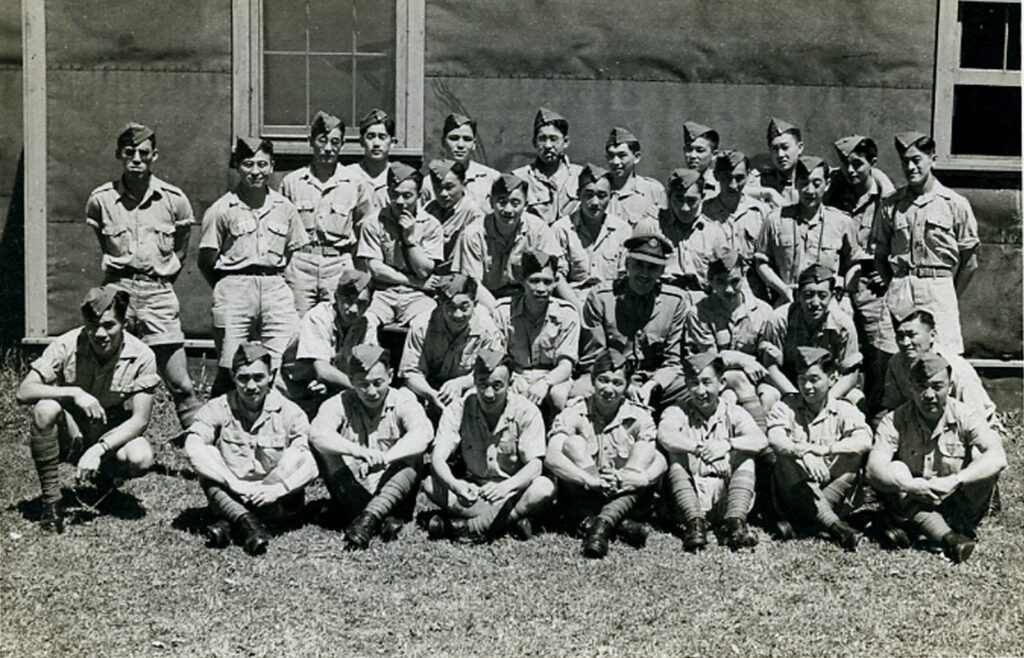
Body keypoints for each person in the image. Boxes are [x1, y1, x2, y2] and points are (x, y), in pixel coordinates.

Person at [85, 122, 201, 429]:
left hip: (157, 295)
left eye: (144, 153)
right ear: (119, 154)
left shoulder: (174, 200)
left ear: (154, 156)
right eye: (129, 152)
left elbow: (180, 251)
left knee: (181, 385)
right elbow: (99, 247)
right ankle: (106, 446)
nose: (137, 159)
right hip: (117, 294)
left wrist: (155, 282)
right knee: (109, 381)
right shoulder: (101, 200)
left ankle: (201, 448)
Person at [16, 287, 160, 533]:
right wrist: (74, 393)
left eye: (109, 325)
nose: (100, 333)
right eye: (92, 325)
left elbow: (140, 420)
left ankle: (105, 478)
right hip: (73, 428)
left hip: (110, 429)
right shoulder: (66, 344)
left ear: (124, 324)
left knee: (141, 457)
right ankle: (52, 502)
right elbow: (24, 391)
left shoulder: (142, 355)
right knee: (45, 408)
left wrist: (99, 449)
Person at [867, 353, 1006, 563]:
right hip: (916, 497)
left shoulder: (967, 416)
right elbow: (873, 469)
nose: (929, 395)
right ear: (911, 387)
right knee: (895, 468)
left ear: (950, 386)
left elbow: (997, 457)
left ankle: (926, 528)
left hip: (958, 501)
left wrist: (955, 480)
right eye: (921, 386)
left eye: (937, 386)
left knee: (982, 458)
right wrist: (910, 485)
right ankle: (946, 535)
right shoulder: (894, 420)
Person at [198, 136, 308, 395]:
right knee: (231, 364)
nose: (256, 171)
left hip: (275, 287)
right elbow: (205, 260)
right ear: (237, 167)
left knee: (282, 360)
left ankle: (275, 415)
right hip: (234, 287)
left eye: (262, 164)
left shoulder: (285, 208)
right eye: (248, 164)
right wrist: (229, 286)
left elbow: (292, 252)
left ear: (272, 167)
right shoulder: (222, 208)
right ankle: (221, 417)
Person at [184, 343, 317, 556]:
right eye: (243, 378)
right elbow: (193, 446)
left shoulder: (291, 412)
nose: (251, 386)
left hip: (275, 494)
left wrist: (277, 490)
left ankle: (233, 522)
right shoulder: (219, 407)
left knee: (297, 455)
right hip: (234, 489)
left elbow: (311, 464)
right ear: (232, 376)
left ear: (271, 375)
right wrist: (234, 484)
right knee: (206, 456)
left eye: (258, 377)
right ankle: (249, 524)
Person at [423, 349, 556, 542]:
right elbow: (438, 458)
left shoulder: (527, 411)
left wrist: (506, 487)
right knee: (431, 484)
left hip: (513, 491)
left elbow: (535, 466)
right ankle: (510, 520)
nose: (489, 393)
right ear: (474, 381)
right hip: (473, 491)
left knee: (543, 488)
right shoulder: (458, 408)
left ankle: (467, 526)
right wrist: (457, 485)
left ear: (510, 383)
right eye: (482, 384)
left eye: (497, 386)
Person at [545, 348, 666, 559]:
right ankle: (617, 524)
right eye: (603, 380)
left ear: (626, 386)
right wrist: (590, 479)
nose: (609, 389)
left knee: (646, 450)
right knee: (573, 443)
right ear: (593, 381)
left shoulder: (640, 416)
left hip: (624, 490)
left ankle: (598, 524)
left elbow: (659, 460)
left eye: (617, 383)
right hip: (585, 491)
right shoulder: (574, 411)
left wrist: (635, 478)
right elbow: (552, 457)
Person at [310, 345, 433, 550]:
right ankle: (378, 519)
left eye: (378, 383)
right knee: (325, 450)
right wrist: (358, 451)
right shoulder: (338, 403)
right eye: (363, 384)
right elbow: (317, 434)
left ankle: (368, 518)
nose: (372, 392)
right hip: (354, 488)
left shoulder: (403, 399)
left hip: (394, 489)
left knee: (414, 453)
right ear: (351, 380)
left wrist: (387, 457)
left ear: (390, 376)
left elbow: (424, 433)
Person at [874, 132, 979, 355]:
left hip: (938, 288)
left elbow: (970, 263)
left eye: (916, 160)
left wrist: (948, 292)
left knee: (940, 357)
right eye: (905, 161)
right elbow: (880, 256)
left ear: (933, 159)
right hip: (901, 287)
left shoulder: (954, 204)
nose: (910, 167)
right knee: (896, 356)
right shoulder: (891, 205)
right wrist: (897, 283)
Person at [657, 352, 767, 551]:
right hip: (687, 498)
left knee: (746, 455)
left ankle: (735, 523)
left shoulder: (734, 412)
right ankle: (694, 524)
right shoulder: (677, 411)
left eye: (707, 382)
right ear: (687, 385)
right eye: (694, 383)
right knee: (675, 453)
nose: (700, 391)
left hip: (726, 496)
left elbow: (760, 440)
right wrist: (701, 450)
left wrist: (727, 444)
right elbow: (665, 435)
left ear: (722, 383)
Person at [576, 220, 690, 410]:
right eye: (639, 265)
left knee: (692, 388)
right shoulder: (601, 297)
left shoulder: (675, 301)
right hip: (611, 379)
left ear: (662, 271)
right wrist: (623, 384)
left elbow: (673, 361)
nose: (644, 274)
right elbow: (594, 358)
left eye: (652, 267)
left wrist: (652, 385)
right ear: (627, 264)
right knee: (576, 391)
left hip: (654, 382)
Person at [766, 347, 872, 550]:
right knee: (785, 457)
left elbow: (865, 440)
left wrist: (827, 450)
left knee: (853, 455)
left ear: (832, 378)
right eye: (801, 379)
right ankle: (837, 528)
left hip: (833, 487)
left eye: (814, 379)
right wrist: (803, 452)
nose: (807, 386)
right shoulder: (785, 406)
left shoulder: (844, 408)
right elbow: (775, 438)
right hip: (796, 490)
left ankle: (810, 520)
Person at [828, 135, 898, 415]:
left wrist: (886, 270)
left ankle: (875, 414)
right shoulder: (833, 189)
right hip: (841, 279)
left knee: (876, 348)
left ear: (873, 163)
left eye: (857, 164)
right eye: (845, 163)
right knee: (837, 344)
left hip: (872, 282)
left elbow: (897, 238)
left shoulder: (887, 197)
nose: (850, 170)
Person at [280, 110, 364, 316]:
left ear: (342, 144)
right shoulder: (292, 182)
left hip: (338, 264)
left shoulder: (355, 183)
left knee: (335, 322)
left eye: (335, 142)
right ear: (311, 142)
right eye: (322, 140)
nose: (328, 148)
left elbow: (365, 229)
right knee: (297, 324)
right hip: (301, 264)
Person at [683, 253, 776, 430]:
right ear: (710, 281)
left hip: (756, 378)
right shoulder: (699, 314)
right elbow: (709, 362)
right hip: (716, 381)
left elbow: (768, 360)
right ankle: (758, 438)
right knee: (729, 395)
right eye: (721, 282)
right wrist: (742, 360)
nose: (729, 290)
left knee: (770, 396)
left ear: (744, 275)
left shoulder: (763, 311)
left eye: (735, 281)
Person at [754, 155, 862, 307]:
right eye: (804, 183)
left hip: (827, 303)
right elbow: (761, 262)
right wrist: (783, 289)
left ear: (827, 184)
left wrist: (845, 294)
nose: (810, 190)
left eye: (816, 184)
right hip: (788, 301)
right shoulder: (775, 220)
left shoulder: (842, 222)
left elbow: (854, 262)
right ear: (796, 184)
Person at [452, 173, 566, 309]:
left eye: (515, 203)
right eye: (501, 202)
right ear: (491, 202)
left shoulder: (538, 230)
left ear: (526, 205)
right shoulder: (473, 234)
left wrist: (577, 308)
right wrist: (499, 313)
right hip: (487, 300)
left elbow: (554, 274)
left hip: (530, 298)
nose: (508, 209)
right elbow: (473, 284)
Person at [400, 274, 504, 416]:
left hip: (466, 387)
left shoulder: (487, 328)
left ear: (475, 303)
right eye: (451, 307)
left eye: (464, 307)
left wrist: (461, 383)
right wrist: (431, 394)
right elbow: (410, 372)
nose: (457, 314)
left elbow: (489, 371)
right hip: (428, 387)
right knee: (405, 396)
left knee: (475, 396)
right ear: (440, 304)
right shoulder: (422, 325)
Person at [276, 269, 376, 417]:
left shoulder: (368, 323)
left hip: (331, 389)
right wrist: (361, 388)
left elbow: (367, 366)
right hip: (293, 391)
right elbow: (323, 371)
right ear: (336, 297)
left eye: (361, 303)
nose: (354, 309)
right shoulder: (318, 316)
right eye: (348, 300)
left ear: (369, 304)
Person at [758, 264, 862, 405]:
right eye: (808, 295)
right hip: (788, 383)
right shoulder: (779, 319)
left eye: (822, 296)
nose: (815, 303)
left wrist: (829, 399)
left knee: (855, 397)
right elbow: (771, 366)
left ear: (832, 297)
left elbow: (850, 373)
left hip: (825, 385)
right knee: (768, 395)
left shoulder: (843, 325)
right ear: (797, 295)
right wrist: (793, 395)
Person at [356, 162, 444, 330]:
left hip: (418, 297)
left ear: (419, 195)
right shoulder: (374, 222)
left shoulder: (431, 225)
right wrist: (415, 282)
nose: (399, 201)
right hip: (382, 293)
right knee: (365, 323)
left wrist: (410, 239)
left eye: (407, 196)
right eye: (394, 194)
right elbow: (375, 269)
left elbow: (424, 271)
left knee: (425, 325)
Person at [494, 250, 579, 413]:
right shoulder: (503, 312)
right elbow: (498, 359)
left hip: (553, 377)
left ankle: (556, 426)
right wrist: (512, 379)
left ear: (556, 282)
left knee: (558, 395)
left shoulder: (567, 314)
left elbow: (566, 365)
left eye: (547, 282)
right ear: (522, 280)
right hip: (516, 376)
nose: (541, 288)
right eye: (534, 281)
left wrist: (545, 383)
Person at [880, 307, 996, 424]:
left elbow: (977, 419)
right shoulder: (896, 363)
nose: (905, 342)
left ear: (932, 335)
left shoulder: (957, 369)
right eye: (900, 336)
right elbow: (894, 407)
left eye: (912, 335)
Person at [552, 163, 631, 307]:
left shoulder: (622, 230)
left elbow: (625, 276)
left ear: (611, 196)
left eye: (602, 196)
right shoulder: (562, 229)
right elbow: (558, 277)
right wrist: (578, 308)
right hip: (573, 302)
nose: (595, 202)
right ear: (578, 195)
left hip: (611, 302)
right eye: (588, 195)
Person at [702, 150, 770, 299]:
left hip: (754, 296)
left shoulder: (761, 212)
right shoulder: (703, 212)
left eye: (739, 178)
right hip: (716, 295)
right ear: (716, 176)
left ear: (748, 175)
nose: (733, 185)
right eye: (726, 178)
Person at [657, 168, 729, 297]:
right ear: (669, 197)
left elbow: (725, 277)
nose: (685, 208)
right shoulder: (654, 227)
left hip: (702, 302)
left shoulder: (715, 233)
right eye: (679, 199)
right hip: (663, 300)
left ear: (702, 197)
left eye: (691, 200)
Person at [512, 107, 583, 225]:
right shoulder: (520, 178)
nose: (548, 145)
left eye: (553, 139)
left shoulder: (580, 176)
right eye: (542, 139)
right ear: (534, 142)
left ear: (566, 142)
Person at [424, 112, 500, 210]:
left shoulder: (491, 178)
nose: (460, 145)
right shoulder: (429, 182)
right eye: (454, 138)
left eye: (467, 139)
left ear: (474, 144)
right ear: (443, 142)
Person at [423, 158, 486, 274]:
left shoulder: (473, 213)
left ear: (463, 184)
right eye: (437, 187)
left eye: (449, 187)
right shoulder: (430, 208)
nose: (443, 194)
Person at [604, 127, 666, 227]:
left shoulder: (653, 191)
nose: (615, 162)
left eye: (622, 155)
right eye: (611, 156)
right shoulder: (598, 189)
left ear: (637, 157)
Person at [343, 108, 396, 217]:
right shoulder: (348, 175)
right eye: (370, 137)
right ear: (361, 142)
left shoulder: (398, 176)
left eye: (382, 137)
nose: (376, 143)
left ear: (392, 142)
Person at [749, 117, 804, 208]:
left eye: (785, 147)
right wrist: (770, 193)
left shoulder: (813, 177)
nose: (780, 154)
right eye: (775, 149)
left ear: (800, 148)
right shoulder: (761, 180)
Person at [683, 120, 721, 197]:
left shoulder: (721, 185)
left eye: (700, 150)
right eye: (689, 149)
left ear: (714, 155)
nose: (693, 156)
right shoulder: (678, 184)